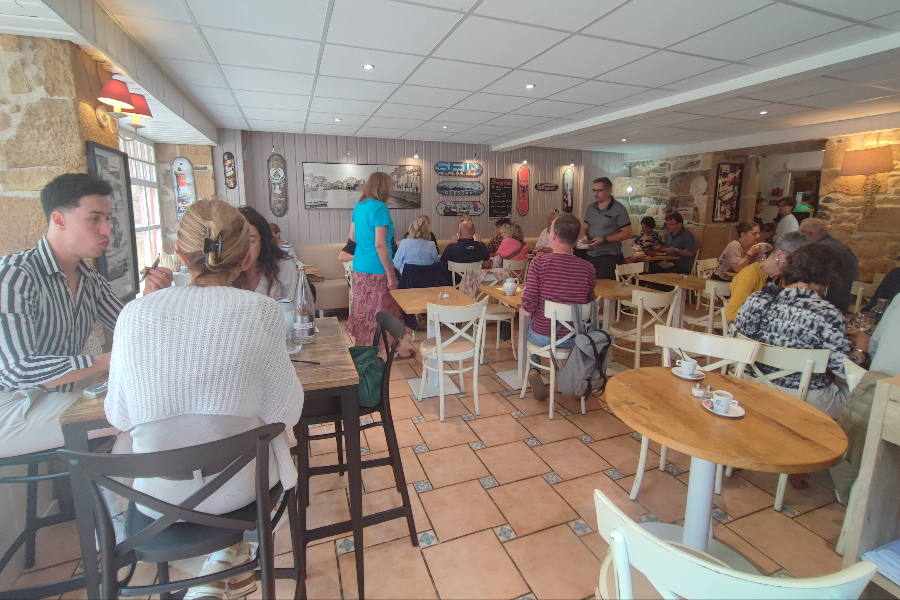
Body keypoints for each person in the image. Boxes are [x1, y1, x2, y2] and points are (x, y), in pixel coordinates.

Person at [106, 199, 303, 600]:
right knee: (274, 439)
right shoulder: (261, 312)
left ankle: (216, 568)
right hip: (240, 491)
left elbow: (120, 415)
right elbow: (285, 413)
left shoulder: (134, 315)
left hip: (158, 498)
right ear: (246, 255)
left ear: (179, 254)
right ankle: (227, 559)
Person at [0, 173, 172, 458]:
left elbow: (131, 330)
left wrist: (153, 298)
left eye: (107, 219)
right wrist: (108, 360)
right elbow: (17, 370)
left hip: (55, 398)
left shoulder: (89, 278)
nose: (107, 230)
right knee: (140, 412)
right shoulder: (14, 276)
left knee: (147, 406)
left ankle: (119, 500)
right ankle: (120, 502)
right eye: (94, 219)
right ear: (59, 220)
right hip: (12, 404)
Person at [734, 243, 850, 419]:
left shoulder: (756, 299)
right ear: (828, 277)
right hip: (801, 396)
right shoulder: (828, 313)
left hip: (750, 383)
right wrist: (861, 351)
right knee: (856, 398)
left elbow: (733, 341)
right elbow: (844, 370)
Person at [521, 213, 597, 400]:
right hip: (575, 339)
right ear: (577, 238)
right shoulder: (588, 268)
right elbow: (590, 303)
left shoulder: (539, 263)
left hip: (543, 337)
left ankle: (533, 370)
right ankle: (566, 375)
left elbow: (527, 308)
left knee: (529, 329)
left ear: (552, 236)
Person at [345, 172, 412, 356]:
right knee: (385, 310)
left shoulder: (359, 206)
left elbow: (352, 237)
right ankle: (385, 349)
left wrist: (365, 244)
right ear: (383, 187)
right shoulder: (380, 208)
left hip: (359, 267)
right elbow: (380, 243)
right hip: (377, 269)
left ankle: (374, 349)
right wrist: (390, 273)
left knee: (366, 310)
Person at [726, 231, 810, 322]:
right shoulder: (750, 275)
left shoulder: (783, 277)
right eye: (797, 260)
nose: (800, 265)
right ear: (779, 255)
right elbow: (731, 314)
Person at [235, 207, 297, 301]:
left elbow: (291, 308)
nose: (244, 248)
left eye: (251, 241)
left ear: (263, 242)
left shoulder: (283, 265)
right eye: (237, 242)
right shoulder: (226, 271)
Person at [798, 218, 859, 314]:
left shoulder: (820, 250)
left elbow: (810, 279)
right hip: (844, 301)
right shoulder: (841, 246)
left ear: (807, 233)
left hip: (828, 305)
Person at [581, 177, 632, 279]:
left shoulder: (619, 209)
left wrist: (604, 240)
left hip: (609, 256)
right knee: (590, 286)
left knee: (605, 289)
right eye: (594, 190)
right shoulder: (591, 208)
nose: (596, 194)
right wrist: (584, 236)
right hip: (591, 254)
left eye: (600, 190)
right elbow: (585, 226)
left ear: (609, 190)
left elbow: (627, 233)